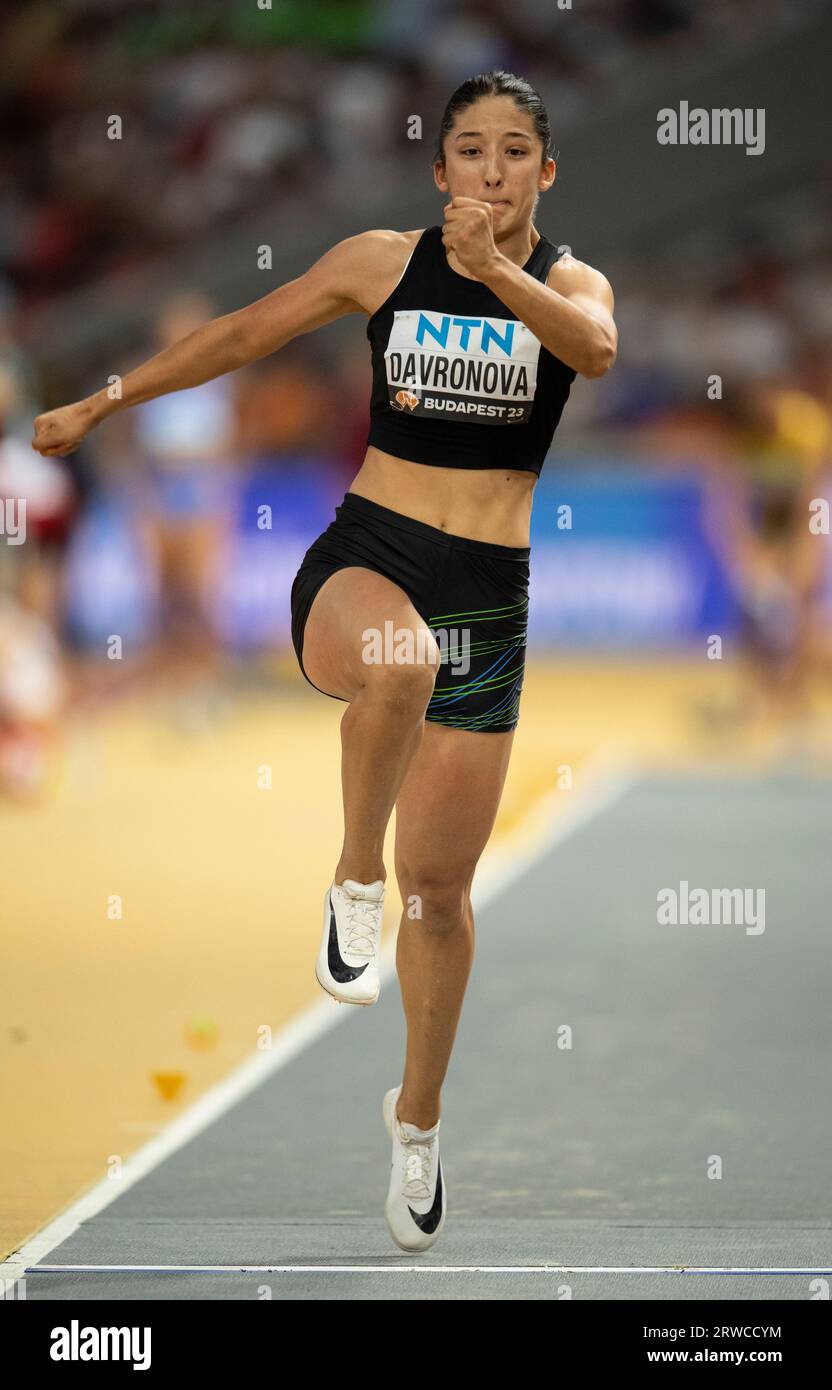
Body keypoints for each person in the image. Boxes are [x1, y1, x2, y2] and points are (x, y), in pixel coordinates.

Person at [31, 71, 617, 1253]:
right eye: (470, 151)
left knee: (444, 894)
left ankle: (415, 1121)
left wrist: (498, 272)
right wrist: (106, 400)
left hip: (489, 597)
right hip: (368, 555)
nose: (492, 171)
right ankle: (351, 880)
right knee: (396, 667)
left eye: (514, 153)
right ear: (439, 171)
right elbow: (243, 333)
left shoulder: (568, 285)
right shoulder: (379, 262)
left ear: (542, 175)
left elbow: (594, 353)